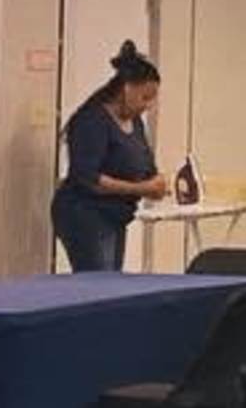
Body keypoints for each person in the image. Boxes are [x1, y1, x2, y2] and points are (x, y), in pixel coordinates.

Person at [56, 45, 171, 273]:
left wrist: (157, 182)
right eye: (145, 97)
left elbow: (145, 163)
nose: (148, 106)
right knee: (98, 284)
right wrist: (140, 188)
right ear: (127, 89)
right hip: (86, 213)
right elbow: (89, 179)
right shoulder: (92, 121)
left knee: (112, 282)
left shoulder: (135, 123)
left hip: (116, 216)